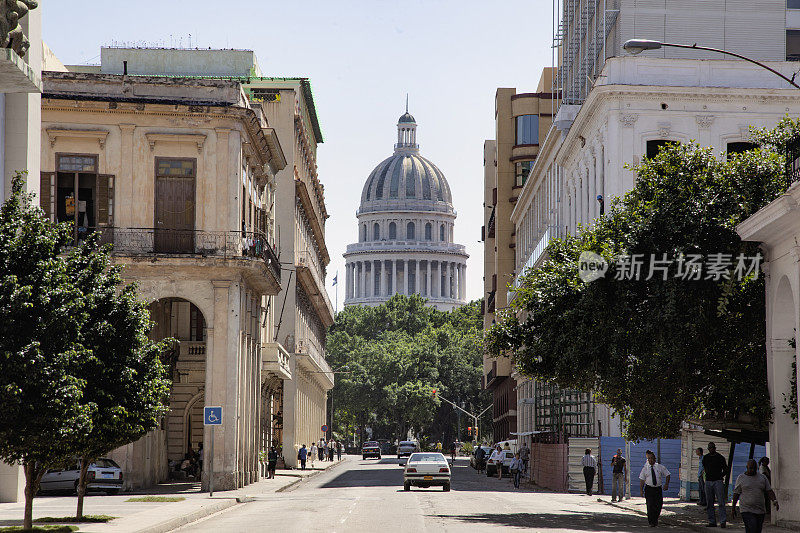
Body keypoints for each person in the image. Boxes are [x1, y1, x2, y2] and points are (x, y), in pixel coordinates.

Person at [732, 459, 779, 533]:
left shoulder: (762, 478)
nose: (752, 470)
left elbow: (769, 491)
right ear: (746, 467)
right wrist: (733, 507)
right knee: (752, 527)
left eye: (754, 468)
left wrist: (774, 500)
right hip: (746, 509)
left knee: (756, 530)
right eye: (750, 468)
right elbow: (736, 493)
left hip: (760, 510)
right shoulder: (741, 478)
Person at [639, 450, 671, 527]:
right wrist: (641, 490)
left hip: (657, 489)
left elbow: (668, 474)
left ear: (655, 459)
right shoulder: (645, 468)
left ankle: (655, 519)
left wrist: (666, 484)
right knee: (650, 505)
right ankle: (651, 522)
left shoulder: (660, 467)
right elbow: (642, 479)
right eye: (649, 458)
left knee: (658, 505)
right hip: (649, 489)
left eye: (652, 458)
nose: (651, 460)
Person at [703, 441, 729, 527]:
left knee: (721, 502)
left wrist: (720, 476)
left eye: (712, 448)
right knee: (709, 503)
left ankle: (723, 521)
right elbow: (704, 468)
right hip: (708, 481)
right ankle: (712, 521)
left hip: (718, 481)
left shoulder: (720, 457)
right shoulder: (706, 458)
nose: (711, 449)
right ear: (708, 449)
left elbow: (726, 469)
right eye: (710, 448)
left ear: (715, 448)